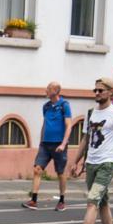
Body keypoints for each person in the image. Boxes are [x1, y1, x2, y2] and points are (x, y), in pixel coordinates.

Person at [65, 76, 113, 224]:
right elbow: (85, 139)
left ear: (110, 92)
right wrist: (76, 161)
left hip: (107, 163)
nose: (97, 93)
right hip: (91, 164)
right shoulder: (91, 113)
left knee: (93, 200)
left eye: (100, 90)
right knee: (103, 203)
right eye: (95, 90)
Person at [22, 82, 73, 210]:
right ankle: (33, 200)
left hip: (59, 145)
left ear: (56, 91)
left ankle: (61, 201)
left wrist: (63, 143)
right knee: (37, 169)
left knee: (60, 173)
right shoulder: (46, 106)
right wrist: (41, 141)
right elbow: (45, 124)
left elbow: (69, 125)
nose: (46, 90)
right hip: (45, 144)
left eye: (48, 89)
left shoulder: (64, 106)